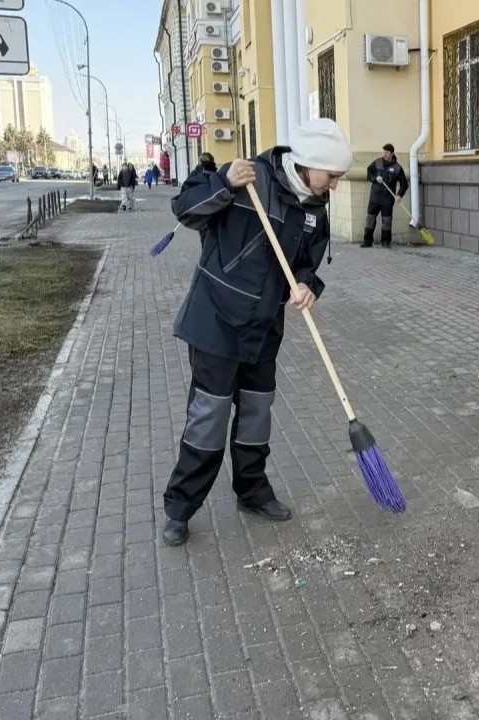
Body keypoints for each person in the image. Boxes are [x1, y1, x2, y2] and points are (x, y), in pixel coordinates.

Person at [160, 118, 352, 546]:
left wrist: (306, 286)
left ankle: (251, 491)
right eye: (332, 176)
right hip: (216, 321)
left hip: (264, 329)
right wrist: (223, 184)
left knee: (255, 416)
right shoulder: (249, 178)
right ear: (308, 163)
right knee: (208, 418)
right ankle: (180, 506)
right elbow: (185, 208)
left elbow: (309, 261)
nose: (334, 186)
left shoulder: (314, 209)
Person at [362, 143, 408, 248]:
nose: (384, 154)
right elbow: (369, 172)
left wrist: (399, 195)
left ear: (392, 153)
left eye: (387, 153)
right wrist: (374, 178)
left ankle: (386, 242)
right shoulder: (377, 163)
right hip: (375, 196)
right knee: (370, 218)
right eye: (383, 152)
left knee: (386, 221)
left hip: (387, 198)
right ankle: (367, 241)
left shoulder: (397, 168)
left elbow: (404, 184)